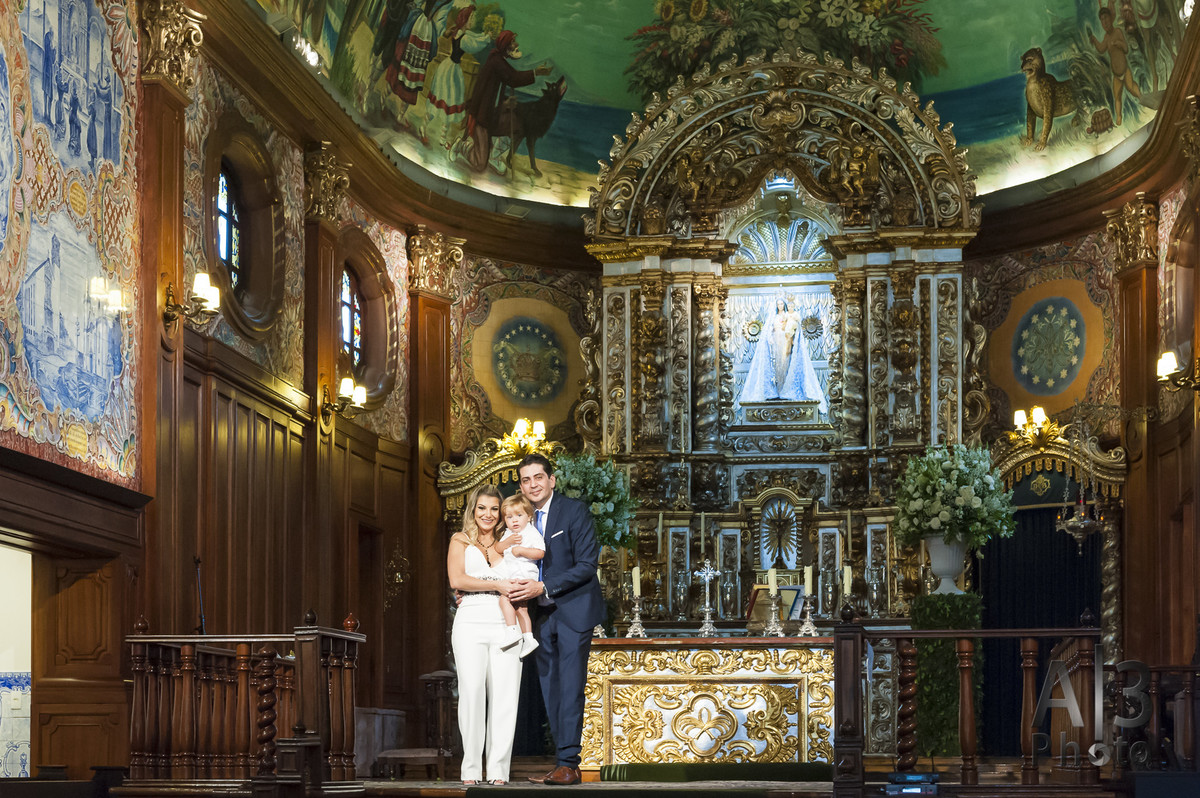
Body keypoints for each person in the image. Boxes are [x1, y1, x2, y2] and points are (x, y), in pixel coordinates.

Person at [507, 453, 603, 786]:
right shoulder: (520, 517)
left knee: (570, 687)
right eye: (526, 480)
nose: (532, 484)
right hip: (540, 616)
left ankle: (569, 763)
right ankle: (563, 763)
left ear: (552, 480)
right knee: (551, 689)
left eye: (538, 477)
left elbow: (587, 565)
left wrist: (544, 586)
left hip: (574, 610)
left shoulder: (574, 511)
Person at [447, 484, 523, 786]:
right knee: (472, 694)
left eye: (494, 508)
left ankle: (498, 771)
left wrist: (504, 587)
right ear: (473, 510)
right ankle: (470, 769)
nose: (488, 514)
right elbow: (457, 579)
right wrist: (496, 584)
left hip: (507, 619)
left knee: (506, 697)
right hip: (470, 619)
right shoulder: (460, 539)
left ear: (501, 513)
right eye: (482, 508)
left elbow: (526, 574)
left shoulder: (511, 540)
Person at [458, 30, 550, 174]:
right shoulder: (496, 62)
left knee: (517, 127)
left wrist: (505, 104)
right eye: (512, 42)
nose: (516, 44)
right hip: (482, 118)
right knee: (480, 165)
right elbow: (513, 78)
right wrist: (535, 72)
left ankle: (493, 157)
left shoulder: (499, 60)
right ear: (505, 45)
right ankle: (462, 147)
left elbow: (498, 88)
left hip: (493, 115)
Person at [740, 297, 827, 411]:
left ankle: (784, 388)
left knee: (785, 364)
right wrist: (770, 337)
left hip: (786, 340)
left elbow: (793, 326)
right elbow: (770, 329)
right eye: (778, 304)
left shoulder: (787, 315)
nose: (780, 306)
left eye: (782, 304)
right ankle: (777, 389)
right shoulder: (774, 317)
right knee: (776, 366)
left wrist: (791, 331)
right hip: (776, 342)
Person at [495, 493, 544, 657]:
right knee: (521, 609)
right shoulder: (508, 533)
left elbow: (540, 552)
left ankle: (512, 630)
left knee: (504, 599)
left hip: (523, 575)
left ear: (529, 516)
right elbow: (498, 549)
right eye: (509, 517)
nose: (514, 520)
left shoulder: (531, 532)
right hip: (513, 575)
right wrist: (508, 542)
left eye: (519, 515)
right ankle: (529, 638)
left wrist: (522, 550)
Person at [1091, 3, 1141, 126]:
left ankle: (1142, 98)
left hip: (1125, 70)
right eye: (1102, 20)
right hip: (1116, 75)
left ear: (1111, 19)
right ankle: (1119, 117)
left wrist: (1119, 43)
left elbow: (1126, 49)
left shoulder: (1117, 32)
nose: (1105, 22)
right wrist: (1094, 40)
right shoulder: (1106, 37)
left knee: (1131, 87)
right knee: (1117, 96)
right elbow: (1101, 49)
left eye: (1106, 18)